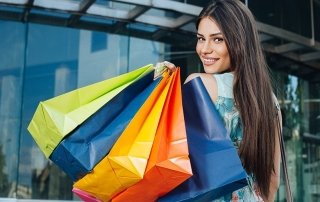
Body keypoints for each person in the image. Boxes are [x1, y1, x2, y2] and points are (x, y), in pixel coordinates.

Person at [159, 0, 281, 201]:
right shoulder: (271, 101)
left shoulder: (199, 85)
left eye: (217, 40)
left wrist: (164, 89)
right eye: (201, 38)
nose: (204, 49)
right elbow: (273, 180)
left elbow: (170, 156)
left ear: (239, 42)